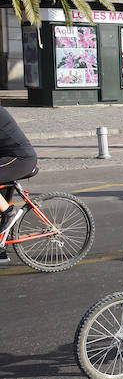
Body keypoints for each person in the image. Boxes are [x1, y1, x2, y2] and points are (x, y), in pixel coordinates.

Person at [0, 108, 38, 264]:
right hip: (8, 159)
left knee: (4, 210)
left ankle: (10, 212)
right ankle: (1, 249)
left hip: (20, 159)